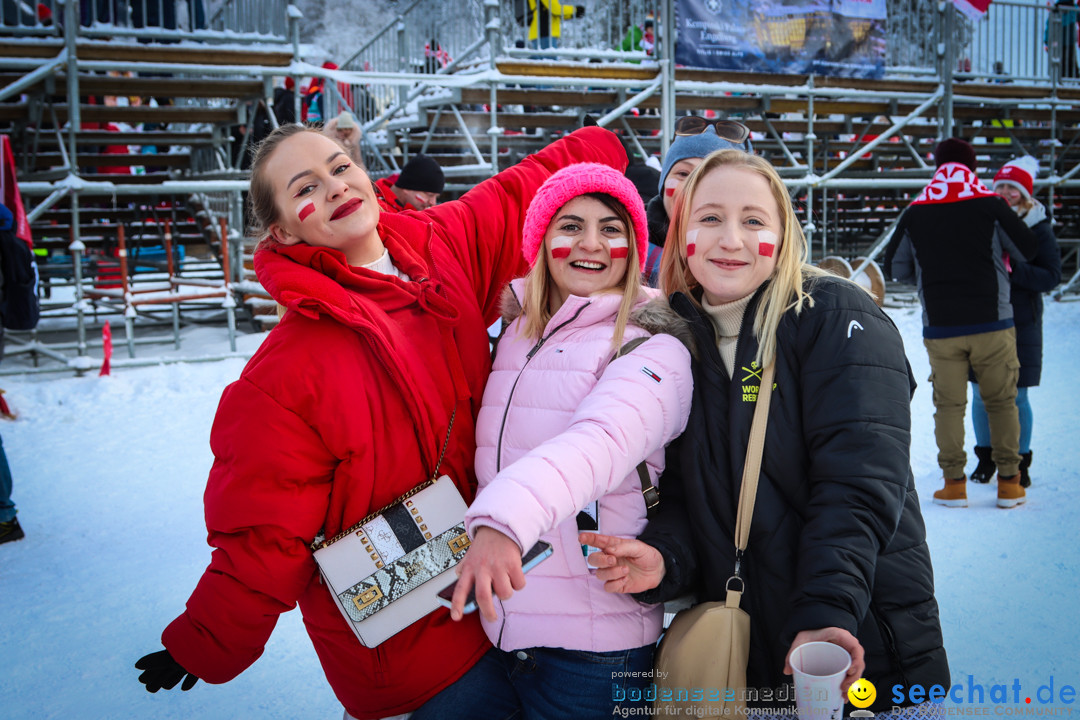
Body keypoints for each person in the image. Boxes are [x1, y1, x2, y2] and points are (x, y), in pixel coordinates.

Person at [132, 123, 629, 720]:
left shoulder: (437, 242)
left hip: (499, 600)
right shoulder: (283, 374)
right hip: (407, 641)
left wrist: (602, 146)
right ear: (281, 229)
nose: (336, 187)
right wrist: (208, 640)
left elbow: (515, 193)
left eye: (340, 167)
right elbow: (264, 528)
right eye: (305, 187)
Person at [582, 149, 951, 716]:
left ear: (784, 235)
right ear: (681, 233)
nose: (730, 239)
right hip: (749, 664)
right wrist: (664, 558)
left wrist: (827, 612)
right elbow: (690, 495)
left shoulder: (835, 316)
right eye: (709, 218)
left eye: (753, 220)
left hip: (861, 651)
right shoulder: (681, 343)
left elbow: (857, 487)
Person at [417, 163, 693, 719]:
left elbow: (597, 444)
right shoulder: (517, 336)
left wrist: (501, 522)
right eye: (570, 225)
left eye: (612, 229)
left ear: (634, 247)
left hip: (595, 654)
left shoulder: (653, 348)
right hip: (499, 628)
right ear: (541, 241)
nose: (591, 243)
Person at [884, 138, 1038, 509]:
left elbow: (894, 268)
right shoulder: (990, 204)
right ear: (972, 166)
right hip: (993, 324)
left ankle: (954, 485)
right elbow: (1028, 250)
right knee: (1002, 403)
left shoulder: (917, 210)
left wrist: (929, 273)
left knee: (948, 407)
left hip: (940, 328)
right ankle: (1009, 485)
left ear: (937, 166)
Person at [967, 157, 1062, 489]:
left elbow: (1051, 275)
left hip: (1021, 323)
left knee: (1016, 396)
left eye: (1013, 187)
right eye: (1001, 186)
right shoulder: (984, 220)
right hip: (983, 318)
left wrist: (1011, 270)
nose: (1005, 192)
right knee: (980, 393)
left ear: (1025, 193)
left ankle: (1021, 463)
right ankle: (986, 459)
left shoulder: (1038, 225)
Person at [645, 116, 752, 286]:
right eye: (683, 174)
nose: (692, 186)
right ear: (663, 182)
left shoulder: (755, 261)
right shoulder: (625, 252)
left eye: (710, 176)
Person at [375, 155, 445, 212]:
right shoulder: (377, 210)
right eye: (429, 195)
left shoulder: (415, 211)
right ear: (407, 188)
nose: (433, 202)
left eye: (436, 197)